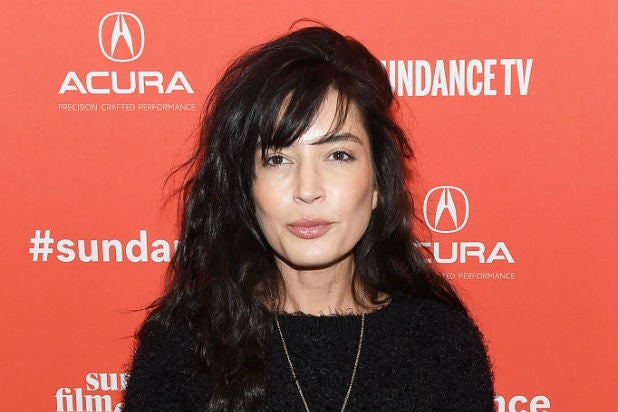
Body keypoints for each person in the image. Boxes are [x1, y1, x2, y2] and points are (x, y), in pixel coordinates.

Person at [122, 24, 494, 411]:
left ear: (378, 183)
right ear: (246, 188)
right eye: (278, 159)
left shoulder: (441, 346)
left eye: (338, 155)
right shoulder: (182, 350)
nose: (308, 189)